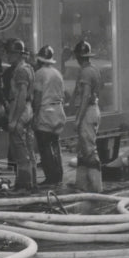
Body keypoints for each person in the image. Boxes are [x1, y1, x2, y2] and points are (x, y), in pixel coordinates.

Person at [31, 45, 66, 185]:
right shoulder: (57, 73)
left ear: (39, 60)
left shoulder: (40, 73)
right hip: (58, 110)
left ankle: (51, 178)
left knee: (44, 146)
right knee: (55, 144)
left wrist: (34, 114)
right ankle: (59, 175)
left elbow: (38, 96)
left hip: (45, 111)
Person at [4, 38, 36, 191]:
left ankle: (25, 184)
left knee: (20, 150)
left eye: (11, 53)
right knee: (28, 148)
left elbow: (21, 96)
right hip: (27, 110)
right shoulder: (28, 68)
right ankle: (31, 182)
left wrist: (14, 120)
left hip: (21, 111)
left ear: (18, 54)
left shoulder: (21, 70)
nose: (8, 56)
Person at [73, 40, 102, 199]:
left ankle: (96, 187)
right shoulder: (94, 70)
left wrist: (78, 118)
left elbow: (85, 96)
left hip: (87, 112)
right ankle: (82, 184)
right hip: (93, 110)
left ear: (78, 56)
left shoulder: (85, 72)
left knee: (89, 150)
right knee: (83, 150)